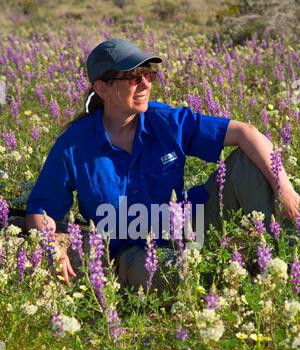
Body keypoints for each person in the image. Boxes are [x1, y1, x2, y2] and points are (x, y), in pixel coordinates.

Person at [26, 38, 300, 292]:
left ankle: (286, 258)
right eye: (133, 77)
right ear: (102, 89)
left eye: (148, 74)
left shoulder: (165, 120)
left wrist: (285, 190)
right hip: (132, 250)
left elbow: (246, 133)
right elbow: (41, 210)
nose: (145, 83)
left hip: (188, 223)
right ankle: (239, 277)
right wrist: (51, 245)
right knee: (183, 278)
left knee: (246, 163)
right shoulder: (74, 144)